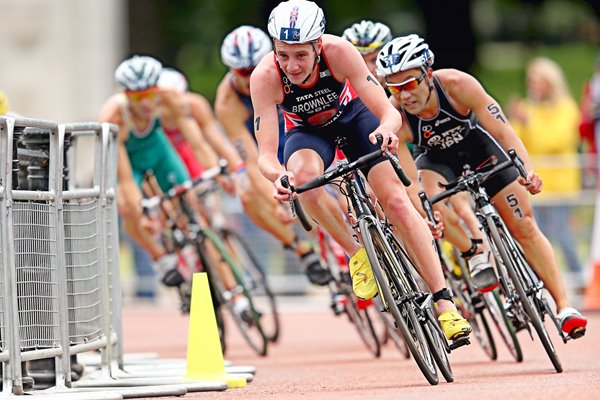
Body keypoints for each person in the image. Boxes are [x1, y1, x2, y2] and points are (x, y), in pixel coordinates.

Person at [250, 0, 471, 341]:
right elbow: (265, 154)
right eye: (283, 55)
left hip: (355, 120)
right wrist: (278, 176)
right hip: (307, 133)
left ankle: (445, 303)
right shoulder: (265, 77)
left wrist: (385, 130)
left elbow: (388, 111)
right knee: (303, 179)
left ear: (318, 45)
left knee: (397, 202)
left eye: (301, 56)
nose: (291, 66)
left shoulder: (340, 52)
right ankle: (358, 256)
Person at [375, 34, 587, 338]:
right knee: (431, 203)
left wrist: (526, 170)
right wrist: (426, 212)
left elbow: (504, 131)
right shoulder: (395, 116)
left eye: (410, 84)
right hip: (434, 160)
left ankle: (564, 306)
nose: (404, 95)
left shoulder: (458, 85)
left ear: (428, 74)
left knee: (524, 225)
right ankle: (474, 251)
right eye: (394, 88)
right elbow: (410, 181)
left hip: (478, 146)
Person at [215, 24, 333, 286]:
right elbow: (249, 157)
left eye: (253, 69)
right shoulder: (227, 102)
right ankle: (301, 251)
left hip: (300, 134)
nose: (249, 78)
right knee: (247, 192)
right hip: (264, 147)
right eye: (241, 72)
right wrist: (278, 197)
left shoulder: (288, 72)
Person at [98, 55, 220, 292]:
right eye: (137, 97)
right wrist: (142, 211)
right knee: (129, 207)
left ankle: (193, 241)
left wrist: (214, 171)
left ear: (159, 89)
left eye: (151, 95)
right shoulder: (113, 116)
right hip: (129, 158)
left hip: (157, 149)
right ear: (125, 95)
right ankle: (160, 257)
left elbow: (197, 143)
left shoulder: (170, 99)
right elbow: (126, 181)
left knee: (187, 195)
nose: (146, 104)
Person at [508, 57, 584, 288]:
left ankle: (579, 278)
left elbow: (557, 140)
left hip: (560, 185)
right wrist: (519, 121)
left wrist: (528, 122)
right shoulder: (528, 109)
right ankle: (542, 282)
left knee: (562, 235)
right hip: (534, 185)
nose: (533, 86)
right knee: (536, 236)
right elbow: (515, 141)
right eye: (531, 81)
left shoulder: (566, 108)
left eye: (537, 81)